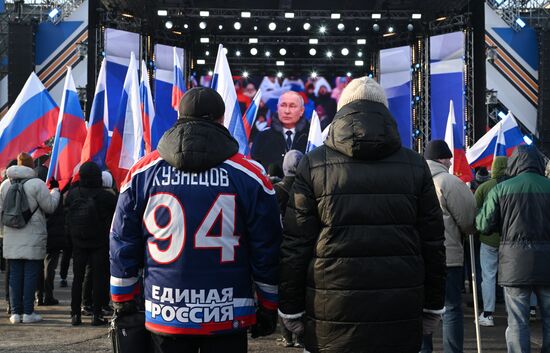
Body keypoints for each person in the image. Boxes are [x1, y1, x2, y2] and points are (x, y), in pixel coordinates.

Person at [278, 77, 446, 353]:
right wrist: (433, 305)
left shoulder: (314, 163)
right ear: (384, 112)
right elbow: (433, 243)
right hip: (399, 311)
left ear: (343, 109)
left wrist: (291, 309)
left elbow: (296, 245)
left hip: (330, 315)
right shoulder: (415, 165)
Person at [110, 87, 282, 353]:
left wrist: (122, 297)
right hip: (228, 312)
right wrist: (269, 304)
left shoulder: (141, 172)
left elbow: (122, 239)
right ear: (221, 120)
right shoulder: (251, 175)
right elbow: (267, 246)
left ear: (179, 117)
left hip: (165, 311)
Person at [477, 145, 550, 353]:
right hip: (548, 264)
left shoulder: (501, 189)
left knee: (518, 320)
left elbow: (483, 224)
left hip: (515, 263)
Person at [421, 140, 476, 353]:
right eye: (449, 157)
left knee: (422, 310)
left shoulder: (412, 181)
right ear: (442, 158)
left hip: (417, 257)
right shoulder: (450, 182)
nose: (452, 161)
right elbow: (468, 219)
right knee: (451, 308)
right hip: (447, 257)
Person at [0, 152, 60, 324]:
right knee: (31, 274)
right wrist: (55, 191)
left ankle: (15, 313)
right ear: (31, 166)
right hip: (33, 235)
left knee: (14, 275)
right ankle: (28, 313)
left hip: (11, 234)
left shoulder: (5, 184)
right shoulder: (37, 184)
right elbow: (49, 207)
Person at [65, 161, 117, 326]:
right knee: (98, 278)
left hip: (78, 241)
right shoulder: (107, 196)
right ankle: (96, 315)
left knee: (78, 279)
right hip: (100, 242)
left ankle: (75, 314)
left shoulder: (73, 194)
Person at [273, 150, 304, 348]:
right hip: (302, 246)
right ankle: (300, 335)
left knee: (281, 289)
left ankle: (287, 337)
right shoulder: (309, 187)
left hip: (280, 246)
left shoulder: (276, 190)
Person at [474, 156, 507, 327]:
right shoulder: (513, 185)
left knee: (488, 276)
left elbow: (475, 211)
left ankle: (487, 314)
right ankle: (522, 311)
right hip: (510, 240)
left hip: (488, 239)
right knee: (513, 277)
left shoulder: (484, 187)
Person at [251, 91, 309, 171]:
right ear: (277, 108)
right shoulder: (263, 137)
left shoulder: (311, 138)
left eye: (292, 106)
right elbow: (255, 167)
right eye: (283, 105)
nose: (287, 111)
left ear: (301, 111)